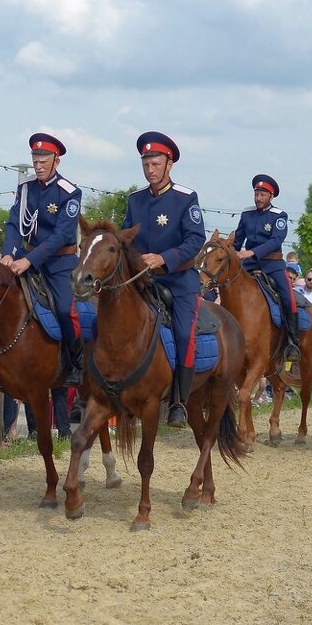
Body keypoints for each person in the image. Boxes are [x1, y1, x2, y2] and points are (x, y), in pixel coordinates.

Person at [122, 131, 205, 427]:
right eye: (146, 164)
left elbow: (196, 240)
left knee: (184, 334)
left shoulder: (186, 198)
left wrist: (163, 259)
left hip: (178, 281)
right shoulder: (134, 200)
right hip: (142, 281)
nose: (150, 170)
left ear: (169, 164)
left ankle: (180, 402)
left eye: (155, 163)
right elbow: (125, 238)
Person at [0, 133, 83, 387]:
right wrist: (8, 253)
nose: (38, 164)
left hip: (59, 264)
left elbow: (61, 236)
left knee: (64, 310)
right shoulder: (25, 189)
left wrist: (29, 261)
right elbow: (14, 224)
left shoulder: (70, 192)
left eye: (44, 159)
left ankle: (74, 362)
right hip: (25, 256)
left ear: (56, 162)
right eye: (35, 159)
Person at [232, 174, 300, 361]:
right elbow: (237, 241)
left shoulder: (279, 216)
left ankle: (293, 342)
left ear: (271, 196)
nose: (258, 198)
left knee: (288, 297)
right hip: (248, 264)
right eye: (256, 194)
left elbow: (276, 240)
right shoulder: (247, 214)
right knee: (226, 285)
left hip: (273, 264)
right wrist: (227, 252)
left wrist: (251, 252)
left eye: (262, 194)